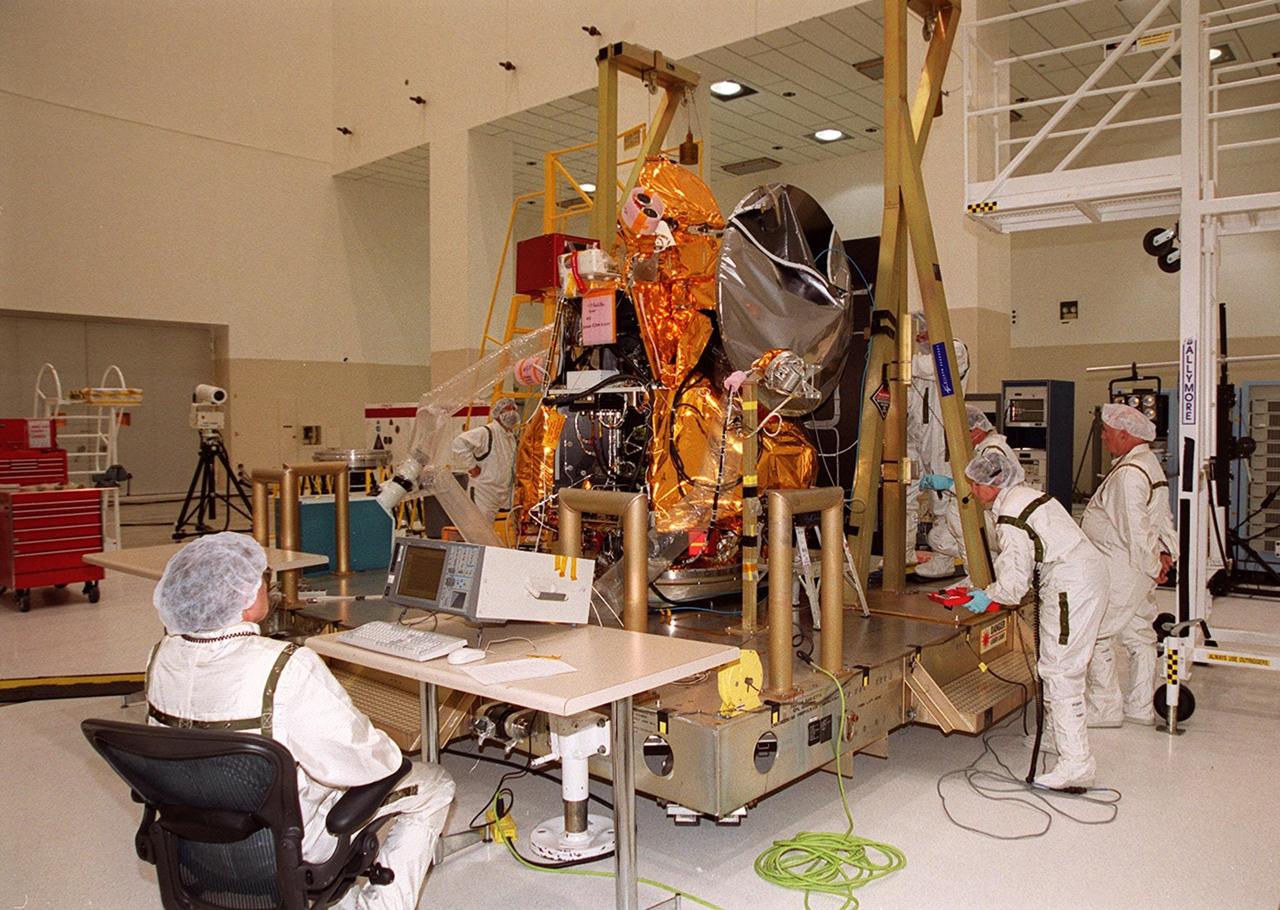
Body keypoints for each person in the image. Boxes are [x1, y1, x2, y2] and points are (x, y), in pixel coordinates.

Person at [145, 533, 454, 910]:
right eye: (261, 577)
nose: (266, 584)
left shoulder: (159, 656)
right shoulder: (283, 665)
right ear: (243, 598)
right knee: (435, 784)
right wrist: (390, 752)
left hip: (193, 834)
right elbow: (364, 764)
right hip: (286, 839)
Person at [960, 449, 1110, 790]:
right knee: (1057, 664)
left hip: (1071, 586)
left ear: (993, 483)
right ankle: (1060, 739)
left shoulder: (1010, 514)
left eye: (974, 483)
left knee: (1060, 669)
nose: (970, 489)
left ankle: (1076, 763)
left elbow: (1014, 586)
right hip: (1080, 577)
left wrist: (990, 596)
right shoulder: (1026, 496)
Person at [1081, 403, 1177, 727]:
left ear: (1124, 434)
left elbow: (1136, 530)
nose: (1105, 438)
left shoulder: (1128, 475)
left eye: (1107, 433)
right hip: (1139, 568)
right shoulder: (1147, 464)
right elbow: (1161, 521)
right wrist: (1164, 557)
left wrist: (1153, 565)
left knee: (1097, 634)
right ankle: (1139, 706)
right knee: (1139, 634)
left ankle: (1104, 709)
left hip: (1124, 567)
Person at [922, 404, 1019, 576]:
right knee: (939, 537)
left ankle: (977, 575)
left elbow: (989, 492)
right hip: (997, 517)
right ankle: (992, 562)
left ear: (976, 430)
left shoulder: (993, 452)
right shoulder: (983, 449)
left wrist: (949, 485)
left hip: (1007, 523)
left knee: (958, 511)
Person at [907, 312, 970, 578]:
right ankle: (904, 553)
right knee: (904, 493)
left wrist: (896, 360)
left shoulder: (955, 350)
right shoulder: (915, 362)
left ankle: (946, 559)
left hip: (941, 436)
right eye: (918, 334)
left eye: (925, 332)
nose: (922, 337)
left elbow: (929, 367)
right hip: (915, 436)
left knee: (942, 502)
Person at [450, 396, 520, 523]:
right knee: (480, 532)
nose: (512, 413)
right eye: (507, 409)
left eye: (513, 409)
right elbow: (458, 443)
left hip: (502, 495)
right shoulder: (486, 432)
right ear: (498, 413)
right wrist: (471, 466)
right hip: (483, 494)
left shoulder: (510, 438)